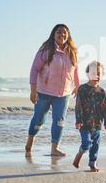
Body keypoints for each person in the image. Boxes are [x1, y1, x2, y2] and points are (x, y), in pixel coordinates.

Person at [25, 24, 80, 157]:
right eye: (59, 32)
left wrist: (77, 86)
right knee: (39, 119)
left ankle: (54, 148)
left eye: (65, 32)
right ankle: (30, 140)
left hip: (63, 94)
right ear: (53, 34)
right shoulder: (46, 50)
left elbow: (76, 70)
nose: (62, 34)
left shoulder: (72, 52)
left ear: (68, 35)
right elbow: (34, 69)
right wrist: (33, 90)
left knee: (59, 121)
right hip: (44, 91)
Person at [73, 61, 106, 172]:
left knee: (95, 145)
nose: (96, 76)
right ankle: (79, 154)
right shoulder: (82, 89)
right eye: (94, 73)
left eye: (99, 73)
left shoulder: (101, 92)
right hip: (85, 124)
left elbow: (105, 108)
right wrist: (78, 120)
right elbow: (78, 106)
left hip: (97, 124)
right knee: (86, 144)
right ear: (88, 74)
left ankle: (92, 164)